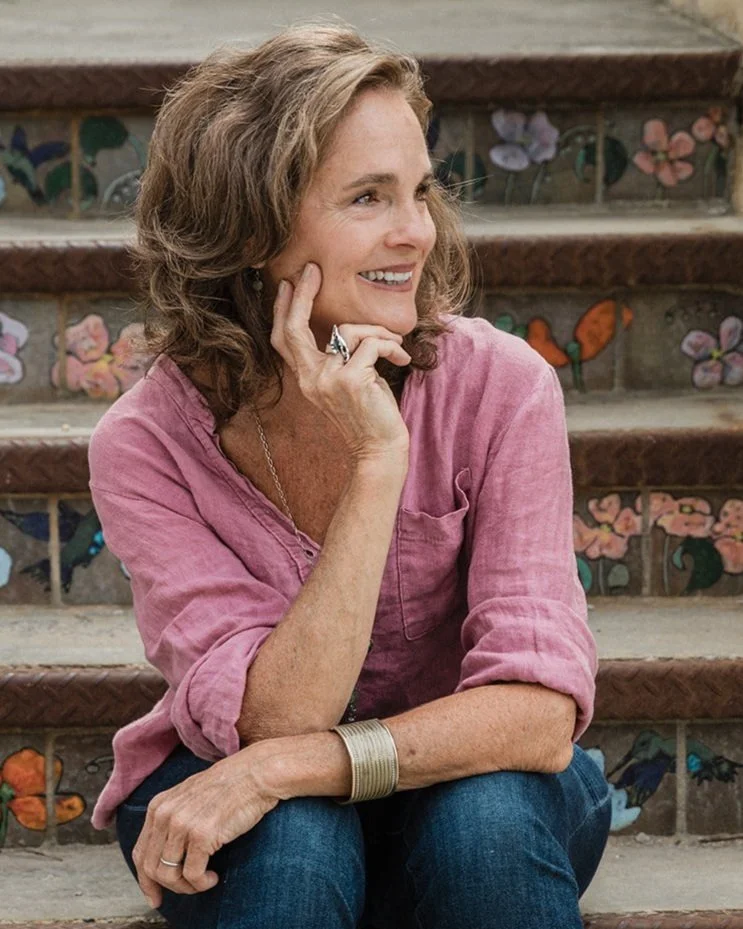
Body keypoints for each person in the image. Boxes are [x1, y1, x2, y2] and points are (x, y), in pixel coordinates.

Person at [88, 22, 611, 929]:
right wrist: (377, 466)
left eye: (420, 190)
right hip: (251, 791)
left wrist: (287, 766)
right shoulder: (146, 444)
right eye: (368, 197)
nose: (415, 232)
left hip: (469, 777)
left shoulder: (501, 387)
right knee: (295, 846)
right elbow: (273, 717)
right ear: (250, 229)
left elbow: (534, 714)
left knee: (480, 825)